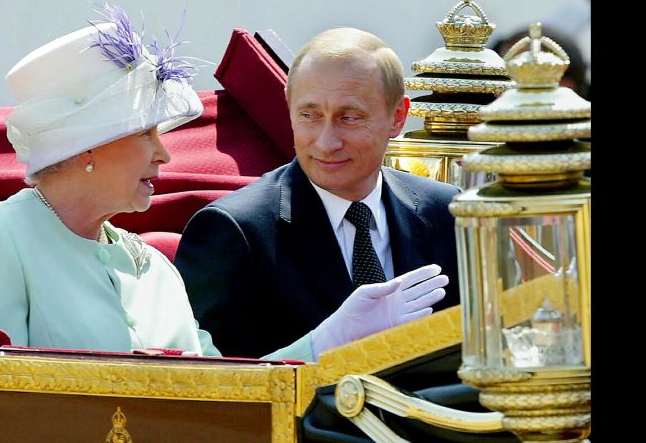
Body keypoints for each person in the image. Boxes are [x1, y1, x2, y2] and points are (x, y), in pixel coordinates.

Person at [0, 5, 448, 362]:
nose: (165, 152)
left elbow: (224, 392)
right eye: (147, 132)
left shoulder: (151, 267)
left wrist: (327, 342)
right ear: (86, 146)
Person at [175, 27, 462, 359]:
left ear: (398, 117)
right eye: (309, 115)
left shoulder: (446, 213)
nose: (327, 142)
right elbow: (211, 389)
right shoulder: (236, 231)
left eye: (349, 118)